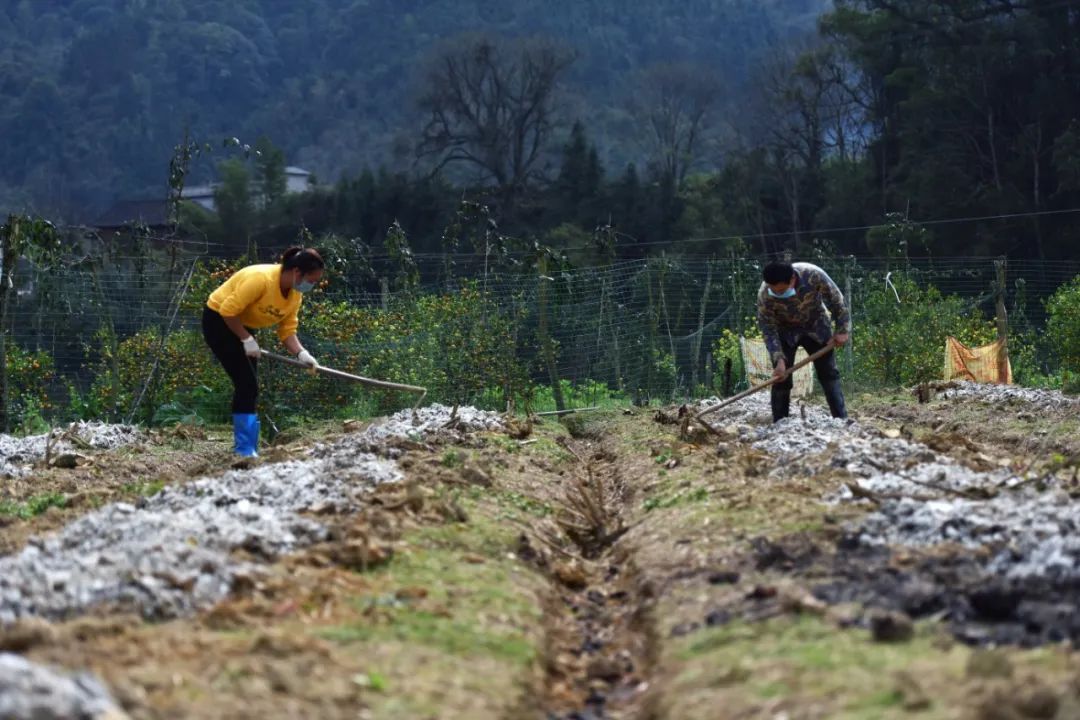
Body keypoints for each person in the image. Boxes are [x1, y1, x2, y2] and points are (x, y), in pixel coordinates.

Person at [202, 246, 324, 456]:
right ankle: (245, 449)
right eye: (311, 280)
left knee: (250, 385)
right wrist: (247, 339)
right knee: (247, 384)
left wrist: (302, 354)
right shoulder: (260, 279)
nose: (311, 285)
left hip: (241, 324)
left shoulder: (295, 295)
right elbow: (227, 311)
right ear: (297, 272)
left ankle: (247, 447)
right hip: (219, 320)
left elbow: (287, 331)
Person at [756, 260, 850, 423]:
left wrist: (842, 330)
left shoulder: (813, 275)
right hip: (784, 331)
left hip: (816, 325)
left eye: (781, 290)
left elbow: (837, 300)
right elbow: (768, 328)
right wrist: (778, 359)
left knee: (828, 373)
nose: (777, 294)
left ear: (792, 279)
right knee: (781, 378)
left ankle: (841, 419)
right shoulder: (765, 294)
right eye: (774, 291)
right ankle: (780, 422)